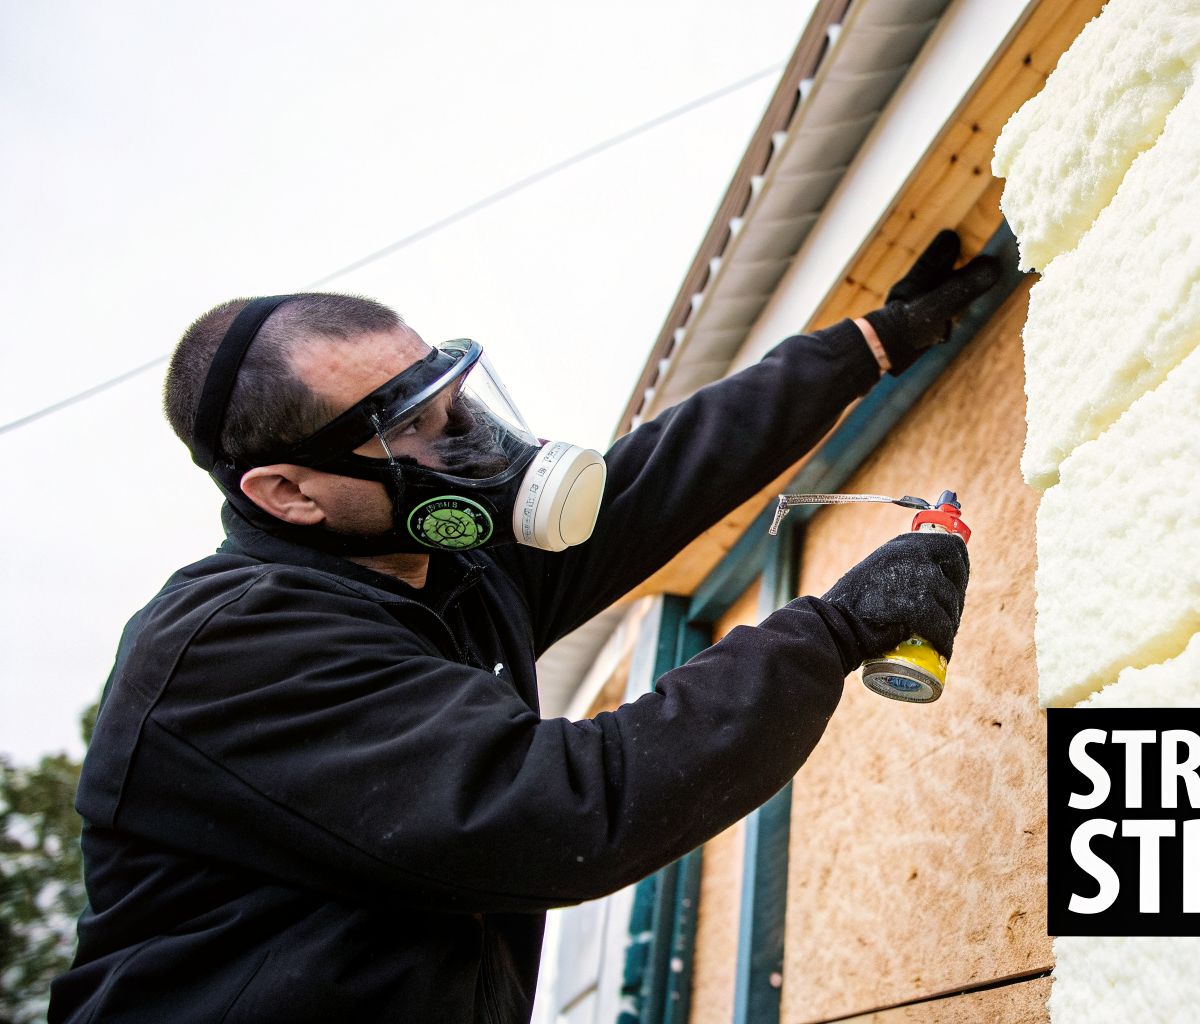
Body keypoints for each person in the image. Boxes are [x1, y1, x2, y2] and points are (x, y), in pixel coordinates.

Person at [50, 231, 999, 1024]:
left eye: (453, 399)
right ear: (288, 492)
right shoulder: (232, 649)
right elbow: (568, 812)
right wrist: (831, 630)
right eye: (412, 430)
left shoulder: (438, 571)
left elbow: (658, 480)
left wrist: (869, 344)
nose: (465, 439)